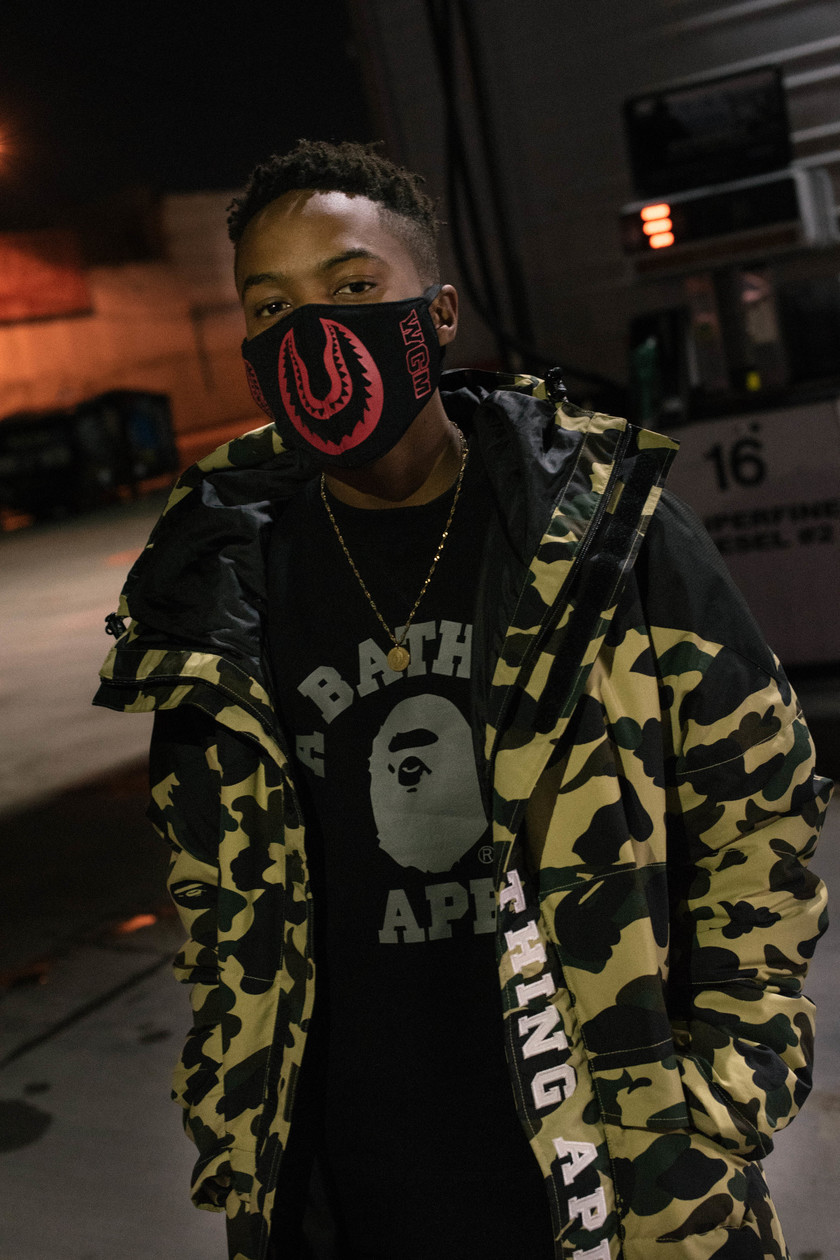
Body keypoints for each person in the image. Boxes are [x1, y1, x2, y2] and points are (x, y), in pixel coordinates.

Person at [94, 140, 830, 1260]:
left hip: (614, 1167)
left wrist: (725, 1087)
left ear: (437, 314)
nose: (311, 333)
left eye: (353, 288)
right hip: (342, 1180)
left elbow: (758, 802)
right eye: (270, 306)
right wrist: (231, 1097)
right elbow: (215, 887)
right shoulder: (218, 586)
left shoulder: (598, 532)